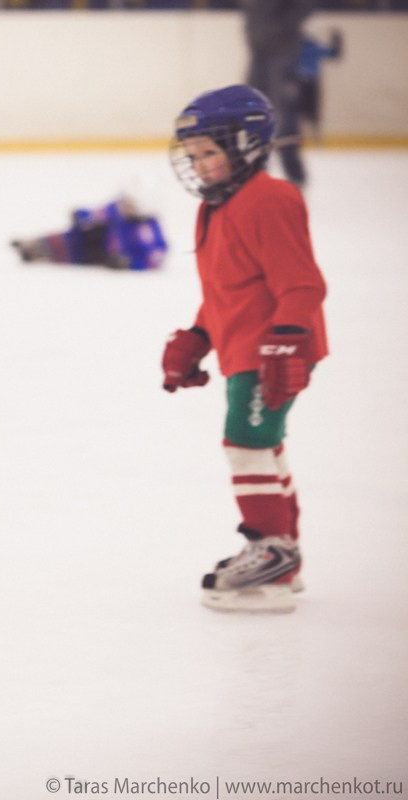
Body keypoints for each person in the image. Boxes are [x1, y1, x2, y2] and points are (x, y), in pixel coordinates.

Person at [164, 85, 328, 614]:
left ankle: (270, 552)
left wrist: (289, 343)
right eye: (194, 156)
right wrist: (197, 338)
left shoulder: (270, 199)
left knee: (246, 444)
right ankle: (287, 558)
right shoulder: (215, 207)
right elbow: (226, 291)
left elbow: (302, 284)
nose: (201, 164)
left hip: (271, 352)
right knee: (266, 445)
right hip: (243, 350)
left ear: (246, 145)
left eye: (211, 152)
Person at [242, 0, 312, 188]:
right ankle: (256, 170)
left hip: (283, 49)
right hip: (258, 49)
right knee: (252, 110)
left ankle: (294, 172)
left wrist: (280, 28)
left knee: (284, 113)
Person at [10, 196, 167, 271]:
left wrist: (128, 263)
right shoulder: (117, 209)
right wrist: (81, 215)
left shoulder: (148, 230)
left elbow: (154, 258)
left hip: (105, 253)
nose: (127, 207)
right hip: (94, 236)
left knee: (76, 253)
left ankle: (42, 254)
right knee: (74, 236)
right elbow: (96, 213)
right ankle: (35, 244)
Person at [296, 28, 343, 144]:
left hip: (305, 83)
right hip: (305, 83)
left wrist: (337, 42)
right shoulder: (312, 47)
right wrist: (337, 42)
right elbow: (334, 53)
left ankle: (309, 136)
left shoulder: (300, 48)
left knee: (304, 111)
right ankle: (312, 136)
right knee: (306, 111)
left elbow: (333, 53)